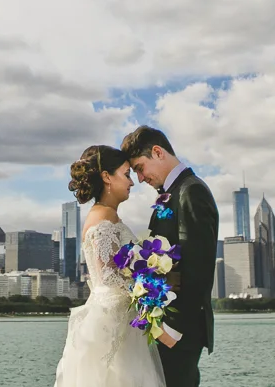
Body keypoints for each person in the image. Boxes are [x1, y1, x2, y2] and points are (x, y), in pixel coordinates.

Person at [53, 145, 172, 387]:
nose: (132, 182)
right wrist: (148, 289)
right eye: (127, 174)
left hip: (122, 319)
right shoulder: (103, 218)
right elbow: (109, 276)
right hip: (110, 322)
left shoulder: (109, 214)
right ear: (107, 177)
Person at [122, 126, 218, 387]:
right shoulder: (174, 193)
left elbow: (197, 268)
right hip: (165, 326)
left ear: (157, 152)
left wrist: (171, 329)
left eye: (140, 167)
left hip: (178, 329)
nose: (140, 178)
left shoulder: (191, 191)